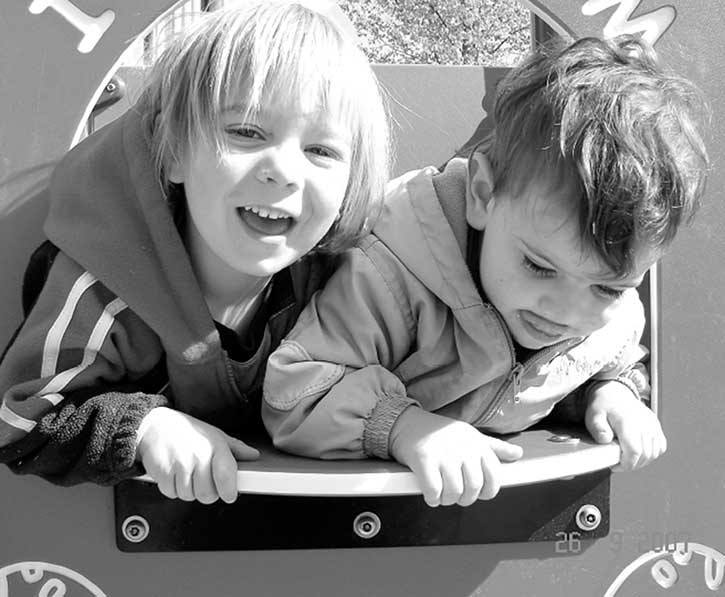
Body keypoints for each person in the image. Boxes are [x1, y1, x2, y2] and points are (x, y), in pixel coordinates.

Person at [262, 35, 710, 508]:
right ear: (481, 194)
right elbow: (295, 392)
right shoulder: (390, 275)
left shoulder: (607, 316)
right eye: (539, 266)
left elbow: (610, 362)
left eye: (608, 287)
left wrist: (612, 393)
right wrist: (404, 427)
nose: (567, 311)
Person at [0, 0, 390, 504]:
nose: (285, 171)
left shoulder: (334, 284)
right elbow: (19, 418)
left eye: (321, 151)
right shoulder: (104, 289)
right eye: (247, 132)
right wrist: (145, 427)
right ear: (176, 149)